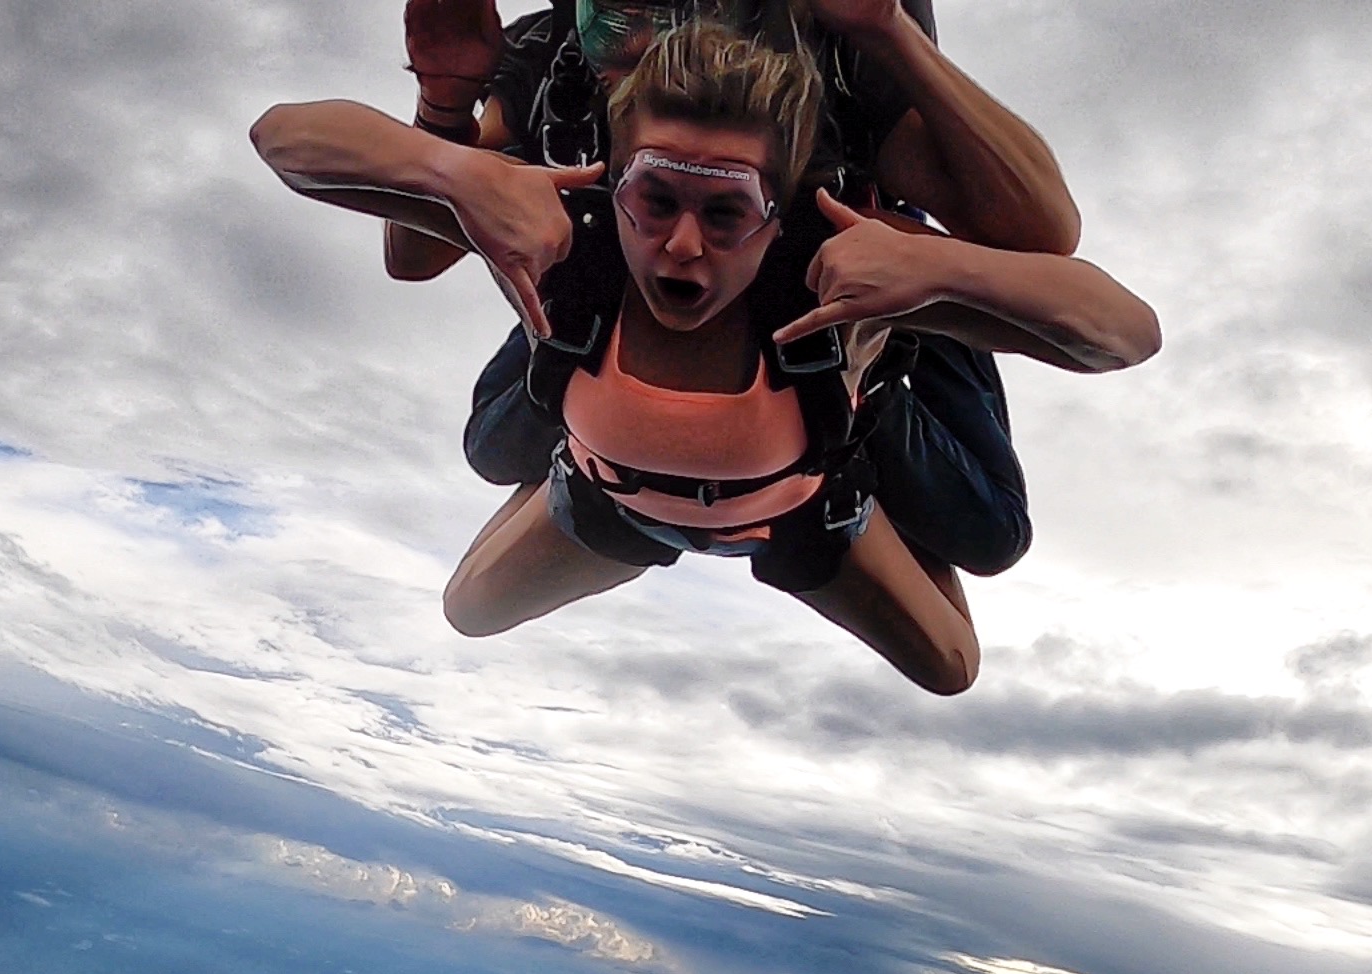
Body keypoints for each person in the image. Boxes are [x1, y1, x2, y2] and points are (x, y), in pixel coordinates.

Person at [251, 18, 1157, 693]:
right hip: (619, 502)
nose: (682, 247)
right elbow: (283, 140)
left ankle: (867, 405)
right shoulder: (569, 226)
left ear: (780, 208)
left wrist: (935, 268)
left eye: (724, 212)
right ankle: (600, 461)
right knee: (468, 608)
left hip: (808, 515)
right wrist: (456, 169)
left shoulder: (831, 270)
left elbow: (1122, 330)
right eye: (655, 201)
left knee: (952, 664)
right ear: (616, 178)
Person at [393, 0, 1078, 579]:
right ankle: (617, 454)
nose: (639, 58)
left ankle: (859, 402)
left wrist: (886, 31)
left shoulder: (827, 62)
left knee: (988, 530)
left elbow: (1041, 233)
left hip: (843, 298)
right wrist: (446, 105)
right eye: (611, 19)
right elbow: (414, 255)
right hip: (624, 300)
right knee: (492, 445)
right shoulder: (557, 63)